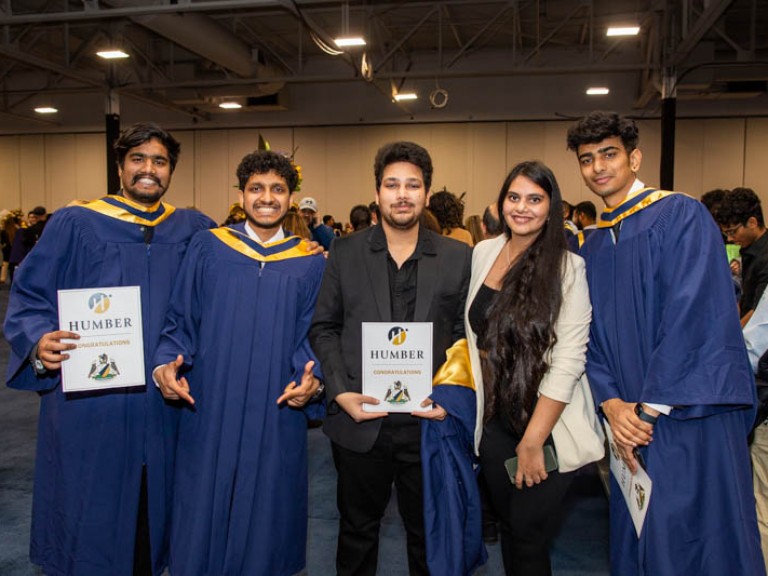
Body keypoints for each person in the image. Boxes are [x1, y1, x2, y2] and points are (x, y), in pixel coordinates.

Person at [3, 122, 217, 576]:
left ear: (171, 171)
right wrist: (40, 342)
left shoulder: (194, 229)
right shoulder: (75, 223)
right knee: (91, 507)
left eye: (159, 161)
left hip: (168, 401)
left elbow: (225, 295)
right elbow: (30, 297)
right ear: (120, 167)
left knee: (161, 506)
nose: (148, 169)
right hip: (92, 402)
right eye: (138, 159)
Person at [566, 111, 764, 575]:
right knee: (637, 528)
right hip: (626, 421)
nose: (598, 167)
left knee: (689, 534)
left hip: (683, 413)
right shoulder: (591, 245)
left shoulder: (680, 215)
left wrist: (647, 408)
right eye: (587, 159)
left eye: (609, 154)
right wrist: (612, 404)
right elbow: (586, 334)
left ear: (634, 158)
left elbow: (695, 315)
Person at [309, 141, 484, 576]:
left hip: (428, 422)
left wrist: (451, 395)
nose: (402, 194)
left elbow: (469, 334)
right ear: (377, 192)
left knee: (427, 536)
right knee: (356, 533)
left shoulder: (457, 256)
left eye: (412, 185)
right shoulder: (345, 252)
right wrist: (341, 391)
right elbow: (324, 327)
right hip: (360, 416)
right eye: (392, 185)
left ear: (426, 193)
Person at [152, 150, 325, 576]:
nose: (267, 198)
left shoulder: (309, 260)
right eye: (256, 189)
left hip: (276, 402)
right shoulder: (209, 247)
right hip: (211, 396)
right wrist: (166, 364)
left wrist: (314, 380)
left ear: (291, 198)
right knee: (203, 494)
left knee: (269, 497)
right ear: (242, 194)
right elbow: (180, 317)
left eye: (277, 190)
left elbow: (317, 333)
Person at [465, 160, 604, 575]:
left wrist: (532, 440)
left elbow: (568, 361)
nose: (522, 208)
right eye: (514, 197)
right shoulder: (483, 252)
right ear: (500, 202)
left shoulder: (567, 269)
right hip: (492, 426)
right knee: (510, 529)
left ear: (551, 207)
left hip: (546, 429)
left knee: (527, 535)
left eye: (534, 199)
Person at [715, 187, 768, 325]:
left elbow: (759, 312)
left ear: (752, 223)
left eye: (732, 232)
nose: (730, 239)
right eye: (727, 234)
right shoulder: (749, 248)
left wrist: (733, 335)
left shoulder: (765, 257)